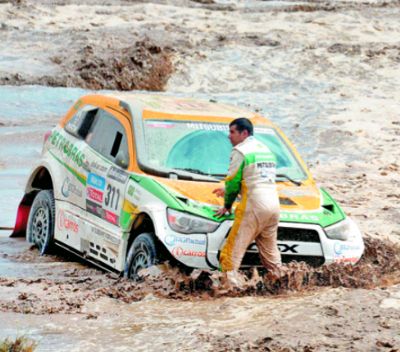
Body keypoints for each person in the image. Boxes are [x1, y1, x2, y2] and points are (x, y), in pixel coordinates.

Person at [213, 117, 281, 277]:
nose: (228, 136)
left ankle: (227, 291)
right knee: (271, 257)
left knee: (230, 254)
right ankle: (284, 283)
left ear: (244, 133)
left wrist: (227, 206)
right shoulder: (266, 150)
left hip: (253, 208)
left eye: (232, 132)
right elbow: (258, 177)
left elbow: (232, 183)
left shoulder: (241, 151)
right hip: (274, 207)